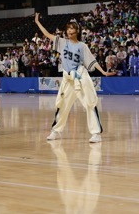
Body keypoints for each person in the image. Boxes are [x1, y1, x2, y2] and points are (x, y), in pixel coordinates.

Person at [34, 13, 112, 143]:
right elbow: (47, 34)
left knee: (90, 102)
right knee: (62, 104)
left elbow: (91, 61)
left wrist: (103, 72)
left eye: (71, 30)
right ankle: (55, 131)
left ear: (77, 31)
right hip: (68, 77)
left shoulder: (82, 46)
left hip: (81, 76)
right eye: (68, 30)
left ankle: (96, 133)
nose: (69, 32)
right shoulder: (62, 42)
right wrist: (37, 22)